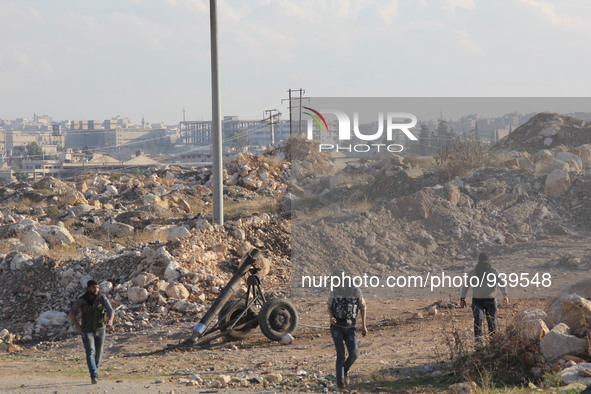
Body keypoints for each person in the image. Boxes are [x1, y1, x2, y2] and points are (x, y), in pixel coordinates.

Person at [68, 280, 115, 384]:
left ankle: (94, 372)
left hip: (100, 328)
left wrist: (110, 321)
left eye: (97, 287)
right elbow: (71, 314)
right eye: (94, 287)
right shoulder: (81, 300)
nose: (96, 290)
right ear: (88, 288)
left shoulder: (102, 298)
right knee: (90, 352)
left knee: (98, 353)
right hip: (87, 330)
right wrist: (78, 327)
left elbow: (111, 310)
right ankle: (94, 375)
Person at [327, 271, 368, 390]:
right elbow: (329, 306)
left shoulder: (355, 291)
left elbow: (363, 307)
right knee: (340, 354)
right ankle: (340, 383)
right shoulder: (334, 291)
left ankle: (344, 369)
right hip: (336, 327)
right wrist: (331, 317)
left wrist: (364, 326)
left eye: (335, 280)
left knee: (354, 353)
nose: (334, 283)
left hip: (350, 328)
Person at [460, 252, 508, 347]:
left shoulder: (494, 271)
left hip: (491, 300)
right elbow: (466, 286)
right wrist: (462, 298)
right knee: (478, 321)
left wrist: (505, 295)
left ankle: (494, 343)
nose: (484, 262)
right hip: (477, 301)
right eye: (482, 261)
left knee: (492, 322)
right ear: (479, 261)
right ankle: (479, 344)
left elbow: (502, 283)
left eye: (485, 260)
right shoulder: (473, 272)